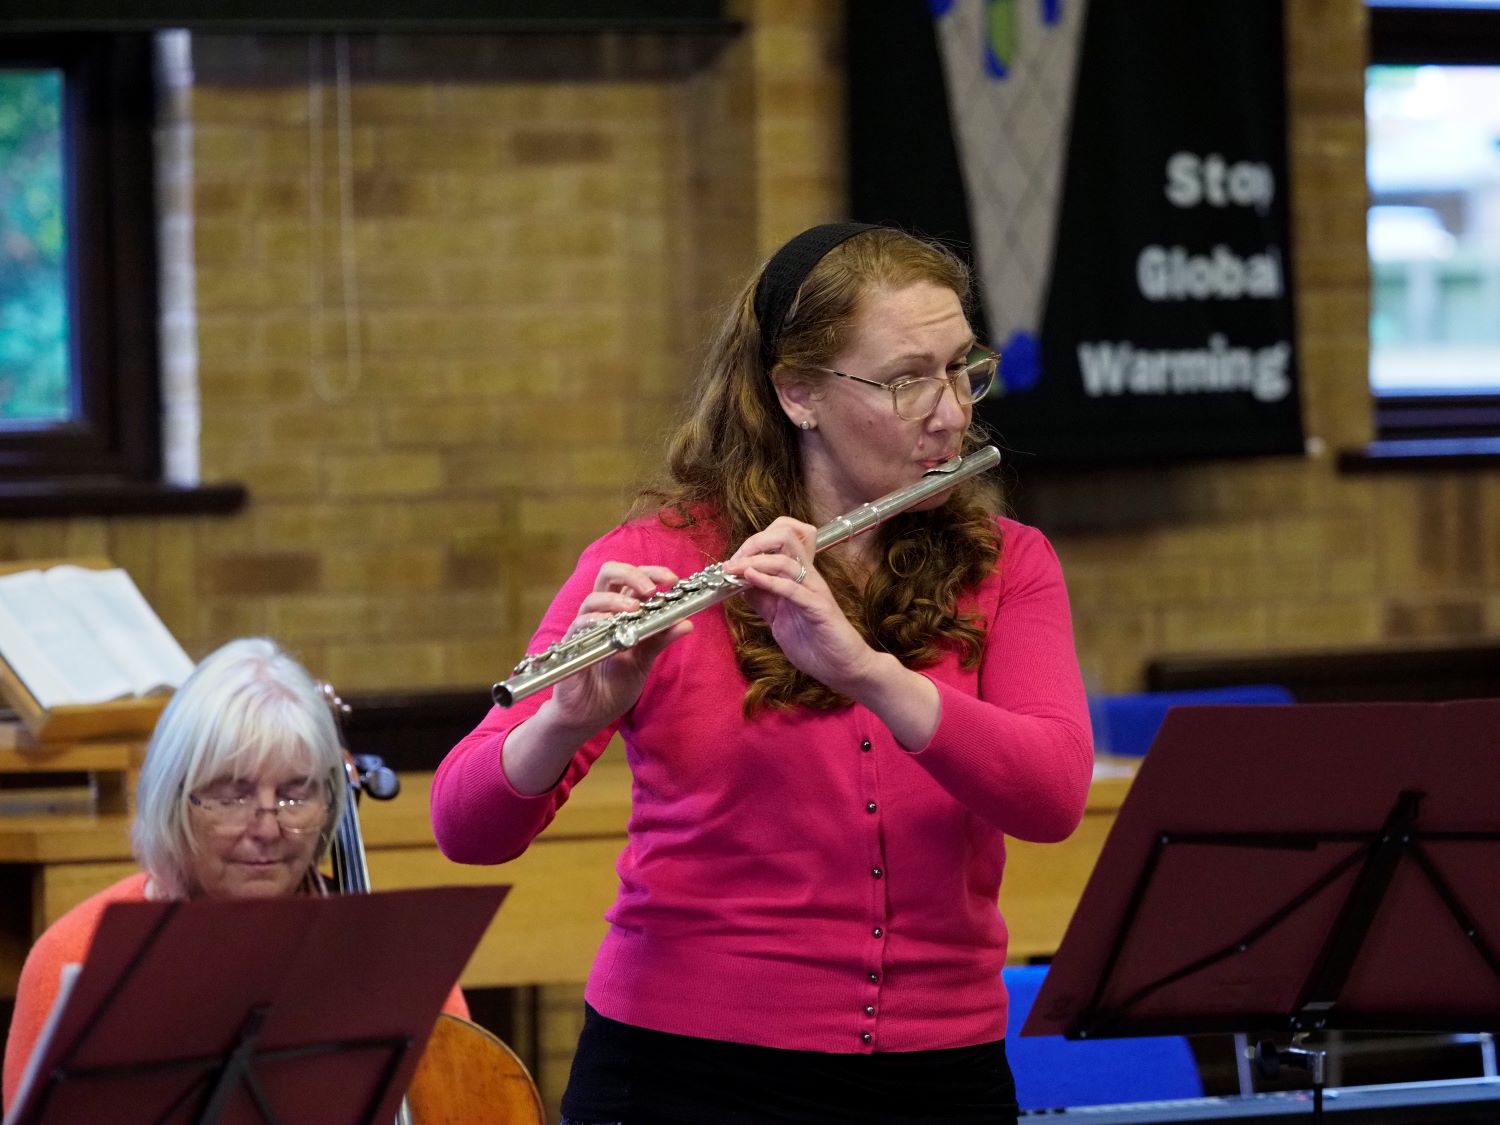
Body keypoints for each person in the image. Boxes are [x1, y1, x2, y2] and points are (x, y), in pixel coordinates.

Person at [431, 222, 1093, 1124]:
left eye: (960, 368)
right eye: (906, 380)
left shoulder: (1008, 563)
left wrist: (867, 672)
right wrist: (565, 719)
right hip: (684, 1074)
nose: (949, 413)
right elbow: (465, 825)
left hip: (940, 1073)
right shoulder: (659, 560)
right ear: (798, 394)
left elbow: (1052, 795)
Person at [2, 636, 469, 1112]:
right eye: (232, 796)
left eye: (294, 794)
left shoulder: (402, 964)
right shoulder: (74, 956)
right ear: (172, 800)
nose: (267, 828)